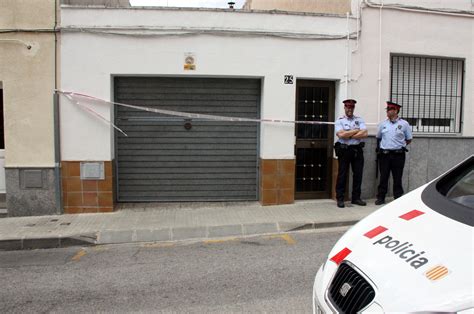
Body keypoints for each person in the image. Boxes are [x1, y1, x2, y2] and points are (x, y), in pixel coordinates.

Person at [375, 101, 413, 205]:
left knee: (397, 177)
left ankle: (398, 198)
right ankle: (381, 197)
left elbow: (409, 139)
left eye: (389, 109)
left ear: (396, 111)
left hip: (398, 155)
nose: (387, 111)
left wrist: (399, 145)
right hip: (385, 155)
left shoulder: (404, 124)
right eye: (387, 109)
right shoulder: (383, 124)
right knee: (383, 177)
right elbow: (378, 137)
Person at [334, 99, 368, 208]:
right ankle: (340, 198)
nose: (350, 109)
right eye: (348, 107)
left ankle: (356, 198)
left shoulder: (359, 119)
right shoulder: (339, 120)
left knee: (358, 174)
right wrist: (355, 131)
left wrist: (348, 134)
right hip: (344, 150)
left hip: (357, 150)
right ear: (344, 107)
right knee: (342, 175)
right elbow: (341, 135)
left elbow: (365, 133)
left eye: (352, 107)